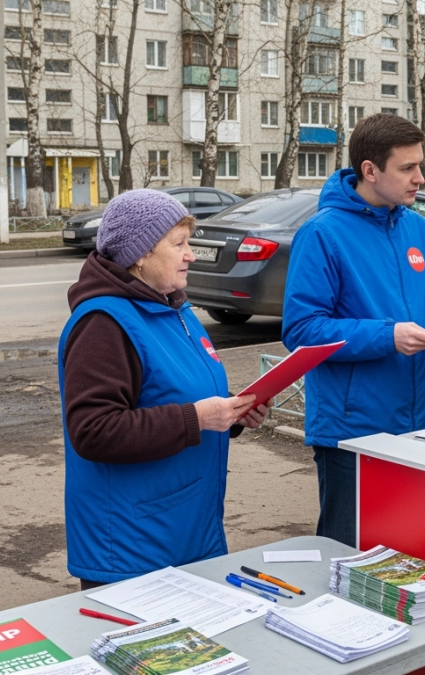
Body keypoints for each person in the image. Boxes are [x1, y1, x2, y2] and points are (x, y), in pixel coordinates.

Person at [57, 188, 268, 590]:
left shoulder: (173, 307)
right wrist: (199, 417)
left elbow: (178, 394)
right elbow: (93, 431)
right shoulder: (104, 323)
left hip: (184, 529)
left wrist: (232, 415)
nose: (191, 253)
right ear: (140, 254)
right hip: (132, 544)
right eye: (179, 244)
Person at [282, 113, 425, 548]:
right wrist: (388, 336)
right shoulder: (322, 234)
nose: (421, 178)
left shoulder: (418, 227)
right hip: (353, 431)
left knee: (406, 549)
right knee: (348, 555)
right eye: (407, 168)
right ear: (370, 170)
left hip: (417, 421)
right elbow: (302, 330)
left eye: (421, 165)